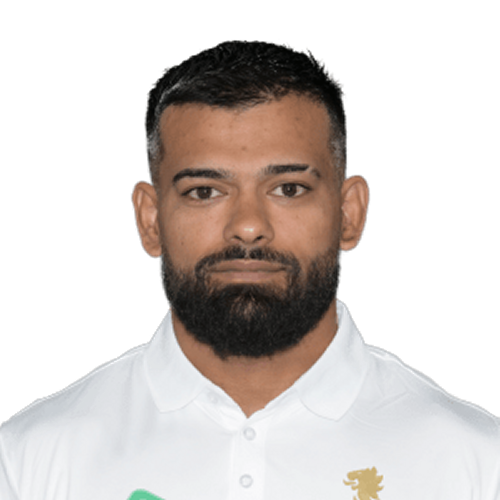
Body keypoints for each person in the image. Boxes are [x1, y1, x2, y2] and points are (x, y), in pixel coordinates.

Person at [1, 40, 498, 500]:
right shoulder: (28, 458)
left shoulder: (477, 461)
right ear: (150, 220)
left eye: (288, 188)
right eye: (204, 191)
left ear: (350, 213)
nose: (247, 227)